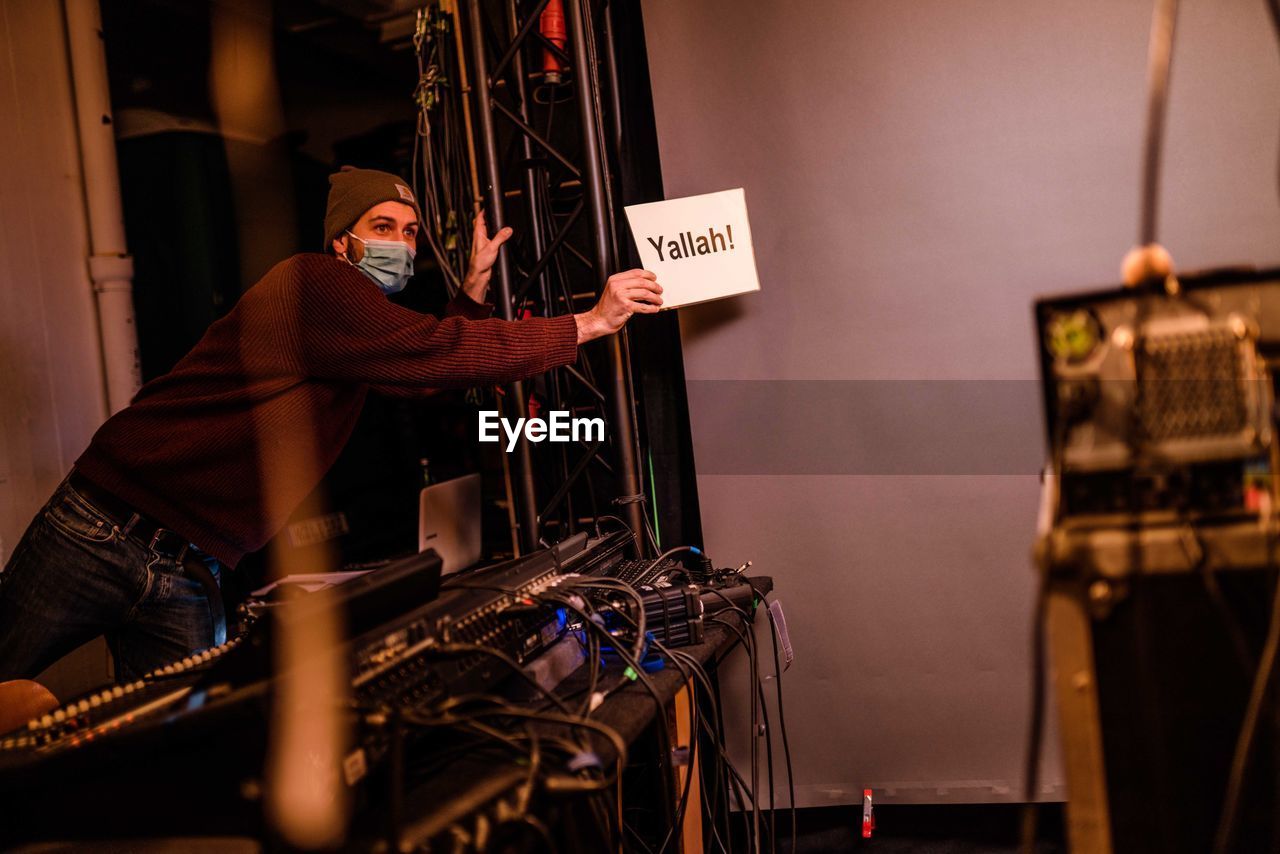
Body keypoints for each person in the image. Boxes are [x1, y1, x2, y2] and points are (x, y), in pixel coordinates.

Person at [0, 167, 662, 683]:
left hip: (189, 566)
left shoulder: (355, 329)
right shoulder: (315, 283)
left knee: (185, 756)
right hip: (101, 527)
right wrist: (587, 323)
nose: (401, 243)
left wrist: (470, 291)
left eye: (410, 231)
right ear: (341, 239)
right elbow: (430, 352)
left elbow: (424, 371)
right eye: (382, 225)